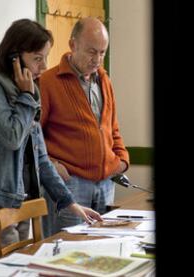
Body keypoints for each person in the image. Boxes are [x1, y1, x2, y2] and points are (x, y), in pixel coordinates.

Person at [0, 18, 102, 261]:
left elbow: (40, 158)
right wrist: (26, 97)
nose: (44, 66)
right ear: (15, 56)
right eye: (37, 58)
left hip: (23, 202)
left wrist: (70, 203)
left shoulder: (28, 90)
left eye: (45, 57)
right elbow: (11, 136)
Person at [39, 17, 130, 236]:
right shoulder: (48, 81)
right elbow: (32, 138)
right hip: (70, 184)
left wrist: (122, 159)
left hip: (106, 183)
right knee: (66, 253)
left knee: (100, 248)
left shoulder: (104, 80)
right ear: (72, 45)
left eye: (102, 52)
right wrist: (52, 164)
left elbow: (112, 128)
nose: (97, 59)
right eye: (91, 51)